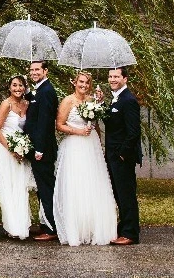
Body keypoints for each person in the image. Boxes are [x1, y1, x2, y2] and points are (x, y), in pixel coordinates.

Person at [53, 71, 118, 246]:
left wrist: (99, 142)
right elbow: (59, 125)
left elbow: (96, 124)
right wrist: (78, 131)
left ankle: (93, 226)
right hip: (74, 145)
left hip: (91, 145)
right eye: (81, 82)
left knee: (94, 182)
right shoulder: (68, 101)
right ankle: (76, 228)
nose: (84, 85)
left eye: (87, 83)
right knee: (77, 183)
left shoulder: (91, 101)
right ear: (74, 82)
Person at [0, 75, 33, 239]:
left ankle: (22, 224)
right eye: (14, 85)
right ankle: (12, 226)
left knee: (20, 185)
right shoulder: (6, 104)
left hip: (21, 149)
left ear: (25, 88)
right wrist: (11, 149)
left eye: (20, 85)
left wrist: (23, 147)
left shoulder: (26, 104)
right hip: (5, 148)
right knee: (8, 185)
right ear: (9, 88)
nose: (17, 88)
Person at [104, 66, 142, 245]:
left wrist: (122, 155)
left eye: (116, 76)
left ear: (125, 79)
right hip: (112, 155)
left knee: (126, 194)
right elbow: (113, 123)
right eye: (111, 76)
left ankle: (130, 233)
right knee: (119, 194)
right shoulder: (116, 99)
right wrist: (101, 105)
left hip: (122, 157)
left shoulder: (128, 100)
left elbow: (133, 132)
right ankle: (124, 228)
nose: (112, 79)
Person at [25, 60, 59, 241]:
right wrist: (30, 94)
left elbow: (45, 122)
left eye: (37, 69)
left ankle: (52, 228)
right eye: (31, 70)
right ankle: (46, 223)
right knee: (42, 188)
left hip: (43, 149)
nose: (34, 72)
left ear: (45, 71)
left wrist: (39, 149)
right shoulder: (39, 90)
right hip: (38, 148)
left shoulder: (46, 91)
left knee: (46, 189)